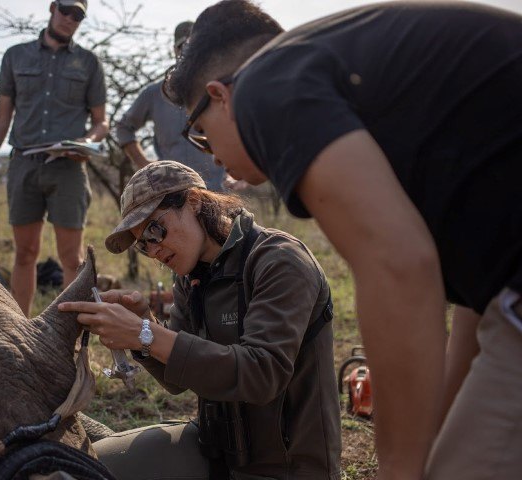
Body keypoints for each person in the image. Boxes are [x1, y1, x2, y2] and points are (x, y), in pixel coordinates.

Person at [163, 1, 522, 479]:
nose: (218, 162)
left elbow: (397, 268)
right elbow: (479, 298)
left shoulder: (264, 86)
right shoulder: (381, 107)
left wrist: (399, 469)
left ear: (220, 95)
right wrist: (434, 432)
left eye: (202, 134)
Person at [59, 161, 341, 479]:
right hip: (214, 451)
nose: (153, 250)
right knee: (79, 469)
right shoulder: (191, 276)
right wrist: (143, 323)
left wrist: (145, 333)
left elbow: (262, 374)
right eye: (142, 244)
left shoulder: (279, 261)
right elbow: (177, 381)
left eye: (154, 229)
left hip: (286, 468)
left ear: (194, 200)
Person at [0, 0, 108, 317]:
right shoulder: (16, 56)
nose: (70, 18)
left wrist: (85, 142)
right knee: (25, 253)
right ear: (52, 8)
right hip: (24, 165)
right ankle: (21, 332)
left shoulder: (89, 63)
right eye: (66, 10)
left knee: (71, 258)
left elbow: (102, 123)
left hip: (69, 167)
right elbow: (2, 117)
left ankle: (66, 339)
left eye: (78, 15)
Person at [114, 21, 228, 191]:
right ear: (175, 50)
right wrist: (144, 164)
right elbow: (124, 127)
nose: (190, 53)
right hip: (170, 194)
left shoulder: (219, 92)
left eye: (196, 47)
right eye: (184, 46)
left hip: (215, 192)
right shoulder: (154, 94)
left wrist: (234, 171)